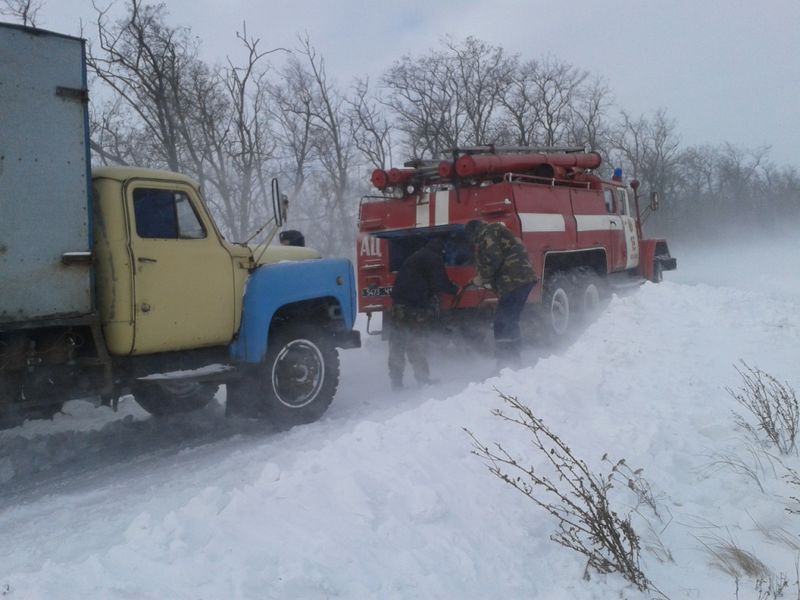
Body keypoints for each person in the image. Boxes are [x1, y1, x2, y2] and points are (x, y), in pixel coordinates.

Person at [464, 219, 537, 367]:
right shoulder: (496, 230)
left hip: (514, 281)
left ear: (474, 233)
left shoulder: (488, 234)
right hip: (521, 280)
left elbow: (493, 260)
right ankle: (514, 358)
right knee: (510, 320)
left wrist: (479, 279)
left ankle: (505, 362)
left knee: (502, 322)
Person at [388, 238, 458, 391]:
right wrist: (454, 289)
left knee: (397, 345)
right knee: (416, 343)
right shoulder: (434, 258)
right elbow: (441, 282)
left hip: (397, 307)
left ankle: (396, 383)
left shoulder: (416, 256)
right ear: (441, 250)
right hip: (414, 308)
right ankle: (423, 379)